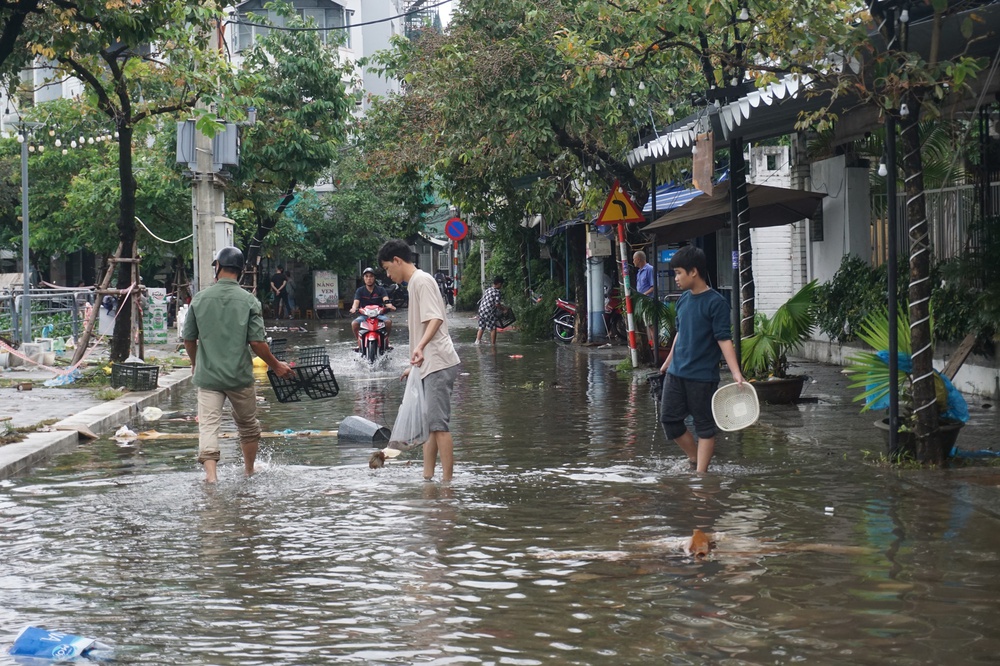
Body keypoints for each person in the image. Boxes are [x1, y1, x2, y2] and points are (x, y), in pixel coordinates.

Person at [183, 246, 293, 483]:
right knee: (247, 425)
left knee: (209, 426)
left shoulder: (200, 299)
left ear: (218, 268)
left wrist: (195, 364)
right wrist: (276, 365)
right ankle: (249, 470)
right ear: (241, 272)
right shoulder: (249, 301)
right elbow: (257, 343)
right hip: (239, 377)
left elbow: (189, 339)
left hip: (208, 377)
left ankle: (211, 477)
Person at [378, 239, 461, 482]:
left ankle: (447, 485)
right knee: (429, 429)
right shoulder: (415, 282)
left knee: (439, 427)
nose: (387, 274)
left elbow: (435, 319)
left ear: (397, 261)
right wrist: (413, 364)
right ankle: (428, 479)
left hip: (438, 362)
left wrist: (421, 347)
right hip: (428, 364)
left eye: (386, 268)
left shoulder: (422, 281)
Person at [657, 245, 743, 474]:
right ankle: (695, 458)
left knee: (704, 427)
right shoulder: (683, 300)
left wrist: (735, 373)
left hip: (702, 378)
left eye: (678, 273)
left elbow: (724, 340)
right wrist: (666, 365)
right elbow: (680, 334)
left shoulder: (716, 303)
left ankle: (701, 478)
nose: (676, 278)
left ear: (693, 271)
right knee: (669, 419)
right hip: (676, 373)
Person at [350, 267, 395, 350]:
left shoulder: (381, 290)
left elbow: (386, 300)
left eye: (371, 276)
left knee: (388, 322)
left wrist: (390, 306)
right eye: (366, 276)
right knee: (354, 324)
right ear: (364, 278)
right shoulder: (360, 290)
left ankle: (386, 341)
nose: (369, 278)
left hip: (378, 314)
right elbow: (356, 302)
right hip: (365, 315)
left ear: (374, 278)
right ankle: (359, 342)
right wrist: (353, 308)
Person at [633, 250, 656, 346]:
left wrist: (644, 294)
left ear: (638, 259)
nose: (633, 261)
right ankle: (651, 345)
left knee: (651, 325)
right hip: (641, 301)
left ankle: (655, 346)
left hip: (648, 301)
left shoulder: (649, 269)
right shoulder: (639, 272)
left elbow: (654, 286)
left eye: (634, 259)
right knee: (646, 325)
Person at [475, 275, 505, 346]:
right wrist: (503, 309)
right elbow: (497, 304)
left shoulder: (488, 289)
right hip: (488, 312)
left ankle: (477, 342)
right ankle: (493, 345)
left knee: (481, 327)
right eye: (501, 285)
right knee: (493, 328)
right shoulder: (497, 292)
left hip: (481, 310)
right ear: (499, 284)